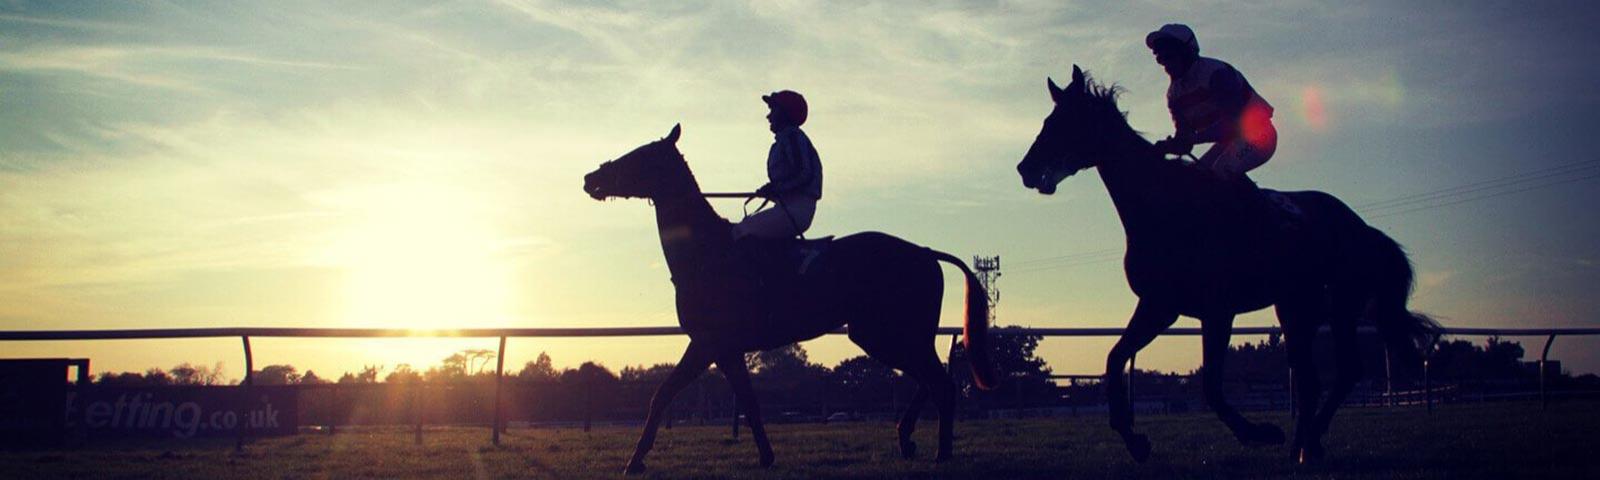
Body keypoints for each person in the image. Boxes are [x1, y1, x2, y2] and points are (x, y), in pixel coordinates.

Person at [1146, 24, 1277, 182]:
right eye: (1160, 57)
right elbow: (1185, 141)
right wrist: (1170, 146)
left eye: (1169, 55)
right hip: (1229, 143)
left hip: (1259, 134)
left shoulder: (1216, 73)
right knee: (1194, 179)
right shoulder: (1174, 94)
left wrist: (1190, 139)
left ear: (1186, 52)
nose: (1164, 62)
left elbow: (1232, 124)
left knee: (1221, 171)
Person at [733, 90, 823, 241]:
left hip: (795, 210)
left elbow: (804, 174)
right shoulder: (787, 139)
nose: (768, 116)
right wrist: (772, 190)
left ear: (784, 114)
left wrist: (775, 188)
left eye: (773, 111)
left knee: (740, 230)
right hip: (787, 208)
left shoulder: (793, 137)